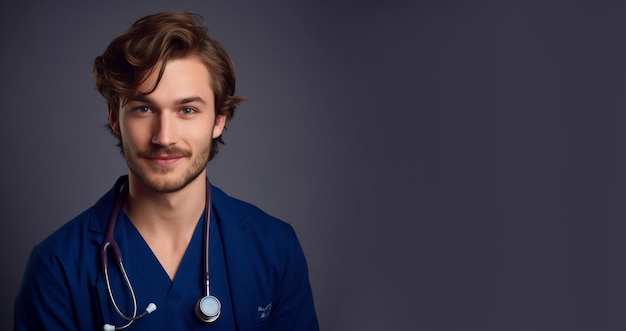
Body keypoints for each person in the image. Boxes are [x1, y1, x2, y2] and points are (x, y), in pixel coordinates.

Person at [14, 11, 318, 331]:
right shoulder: (58, 265)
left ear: (219, 119)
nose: (164, 137)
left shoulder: (274, 248)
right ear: (116, 118)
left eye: (187, 110)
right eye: (143, 108)